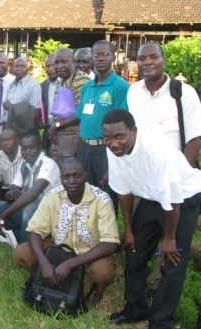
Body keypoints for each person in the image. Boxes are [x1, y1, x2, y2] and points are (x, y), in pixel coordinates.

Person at [103, 109, 201, 329]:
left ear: (133, 131)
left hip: (182, 199)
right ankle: (135, 309)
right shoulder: (113, 150)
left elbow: (171, 201)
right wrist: (128, 229)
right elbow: (124, 192)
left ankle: (160, 326)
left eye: (120, 137)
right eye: (108, 138)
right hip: (150, 197)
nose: (114, 143)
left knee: (171, 262)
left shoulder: (156, 151)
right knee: (134, 251)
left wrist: (169, 238)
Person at [126, 41, 201, 298]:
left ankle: (156, 288)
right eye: (142, 58)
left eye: (153, 57)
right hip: (144, 184)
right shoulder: (133, 92)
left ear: (163, 60)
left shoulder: (183, 93)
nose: (147, 62)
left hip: (173, 184)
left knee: (170, 244)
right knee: (141, 242)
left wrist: (176, 178)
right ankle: (136, 298)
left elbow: (194, 139)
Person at [12, 158, 119, 307]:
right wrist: (44, 263)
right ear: (60, 178)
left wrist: (71, 264)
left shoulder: (101, 199)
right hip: (59, 250)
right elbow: (34, 230)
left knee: (104, 272)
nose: (72, 181)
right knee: (20, 253)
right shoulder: (52, 196)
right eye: (66, 176)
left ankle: (97, 288)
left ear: (86, 177)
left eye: (77, 175)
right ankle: (50, 277)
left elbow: (110, 244)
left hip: (90, 253)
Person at [56, 40, 129, 213]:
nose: (101, 58)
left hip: (107, 149)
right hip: (84, 148)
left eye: (105, 54)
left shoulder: (121, 87)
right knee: (85, 194)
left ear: (113, 57)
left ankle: (109, 236)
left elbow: (122, 129)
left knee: (107, 196)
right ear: (92, 58)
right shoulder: (87, 86)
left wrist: (114, 165)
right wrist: (74, 154)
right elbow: (81, 121)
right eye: (97, 54)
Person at [0, 135, 60, 243]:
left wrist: (3, 216)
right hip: (30, 211)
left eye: (32, 147)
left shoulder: (48, 163)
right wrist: (11, 195)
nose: (27, 151)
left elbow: (33, 194)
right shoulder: (24, 165)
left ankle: (26, 244)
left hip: (50, 211)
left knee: (28, 206)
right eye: (24, 149)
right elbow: (11, 191)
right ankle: (21, 235)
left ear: (40, 148)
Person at [47, 48, 90, 163]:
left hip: (73, 141)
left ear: (73, 61)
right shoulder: (61, 81)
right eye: (56, 62)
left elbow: (81, 113)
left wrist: (56, 126)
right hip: (61, 140)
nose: (59, 66)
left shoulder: (81, 80)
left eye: (64, 61)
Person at [3, 58, 42, 138]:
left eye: (22, 66)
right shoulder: (12, 84)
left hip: (24, 129)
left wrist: (10, 107)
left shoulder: (33, 85)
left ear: (28, 68)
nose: (19, 69)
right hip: (10, 126)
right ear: (12, 68)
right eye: (16, 66)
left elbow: (36, 112)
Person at [0, 129, 24, 205]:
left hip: (24, 190)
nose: (4, 143)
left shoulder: (25, 153)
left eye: (8, 140)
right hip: (7, 190)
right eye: (2, 140)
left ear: (17, 141)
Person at [40, 53, 59, 154]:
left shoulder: (66, 83)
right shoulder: (42, 86)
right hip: (48, 130)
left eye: (53, 65)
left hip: (63, 130)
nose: (51, 68)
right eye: (48, 66)